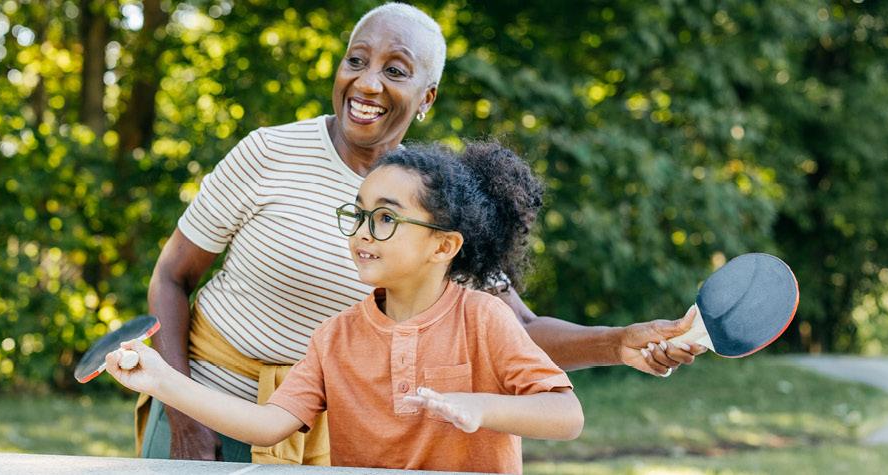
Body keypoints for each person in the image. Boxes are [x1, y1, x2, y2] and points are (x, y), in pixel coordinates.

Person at [137, 2, 705, 463]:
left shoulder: (431, 196)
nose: (368, 82)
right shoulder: (268, 152)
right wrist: (186, 419)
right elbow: (171, 277)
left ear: (427, 96)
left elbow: (521, 329)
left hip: (325, 428)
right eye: (356, 60)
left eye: (396, 70)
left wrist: (618, 341)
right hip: (206, 397)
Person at [114, 142, 584, 473]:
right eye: (359, 214)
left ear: (443, 247)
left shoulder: (484, 317)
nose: (362, 231)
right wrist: (162, 380)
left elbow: (566, 415)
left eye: (385, 218)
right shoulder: (334, 336)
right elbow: (267, 425)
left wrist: (480, 408)